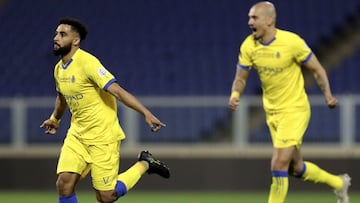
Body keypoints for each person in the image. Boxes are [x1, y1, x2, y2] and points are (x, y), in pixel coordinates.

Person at [228, 2, 351, 203]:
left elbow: (318, 69)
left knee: (278, 164)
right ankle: (339, 183)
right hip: (272, 113)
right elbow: (241, 77)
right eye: (250, 18)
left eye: (254, 18)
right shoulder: (249, 45)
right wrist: (235, 95)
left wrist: (327, 95)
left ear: (269, 20)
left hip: (294, 110)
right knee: (295, 168)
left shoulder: (291, 42)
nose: (249, 22)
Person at [40, 17, 170, 203]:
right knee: (64, 184)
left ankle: (145, 164)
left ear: (75, 41)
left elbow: (117, 90)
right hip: (77, 135)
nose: (56, 38)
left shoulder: (88, 63)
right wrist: (55, 119)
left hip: (103, 136)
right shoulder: (59, 69)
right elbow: (62, 98)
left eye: (62, 34)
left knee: (106, 197)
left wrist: (146, 113)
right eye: (56, 34)